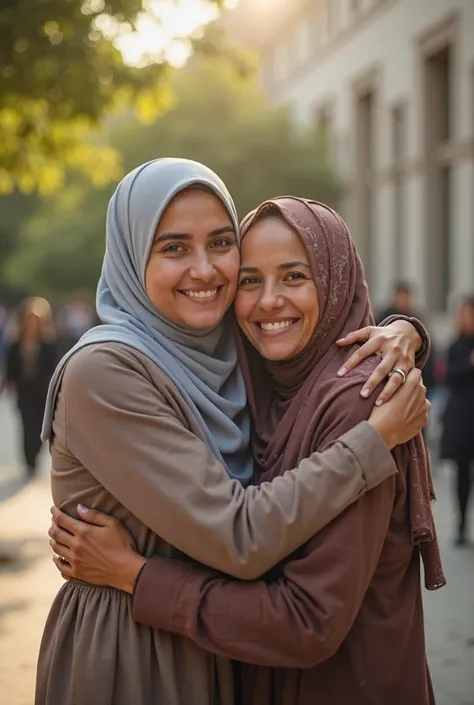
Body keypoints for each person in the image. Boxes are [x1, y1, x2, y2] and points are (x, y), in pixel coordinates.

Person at [41, 160, 429, 705]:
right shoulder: (105, 372)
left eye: (221, 243)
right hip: (136, 655)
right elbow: (237, 535)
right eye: (174, 247)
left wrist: (406, 331)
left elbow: (326, 311)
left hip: (225, 647)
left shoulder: (230, 355)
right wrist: (372, 442)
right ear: (131, 256)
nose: (204, 270)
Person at [5, 300, 58, 476]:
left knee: (38, 427)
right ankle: (29, 463)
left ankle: (34, 456)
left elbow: (53, 367)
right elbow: (10, 367)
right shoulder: (15, 343)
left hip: (41, 391)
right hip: (23, 390)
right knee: (26, 425)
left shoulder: (48, 344)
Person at [440, 295, 474, 546]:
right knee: (462, 473)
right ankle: (462, 522)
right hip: (463, 419)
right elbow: (448, 376)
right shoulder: (455, 345)